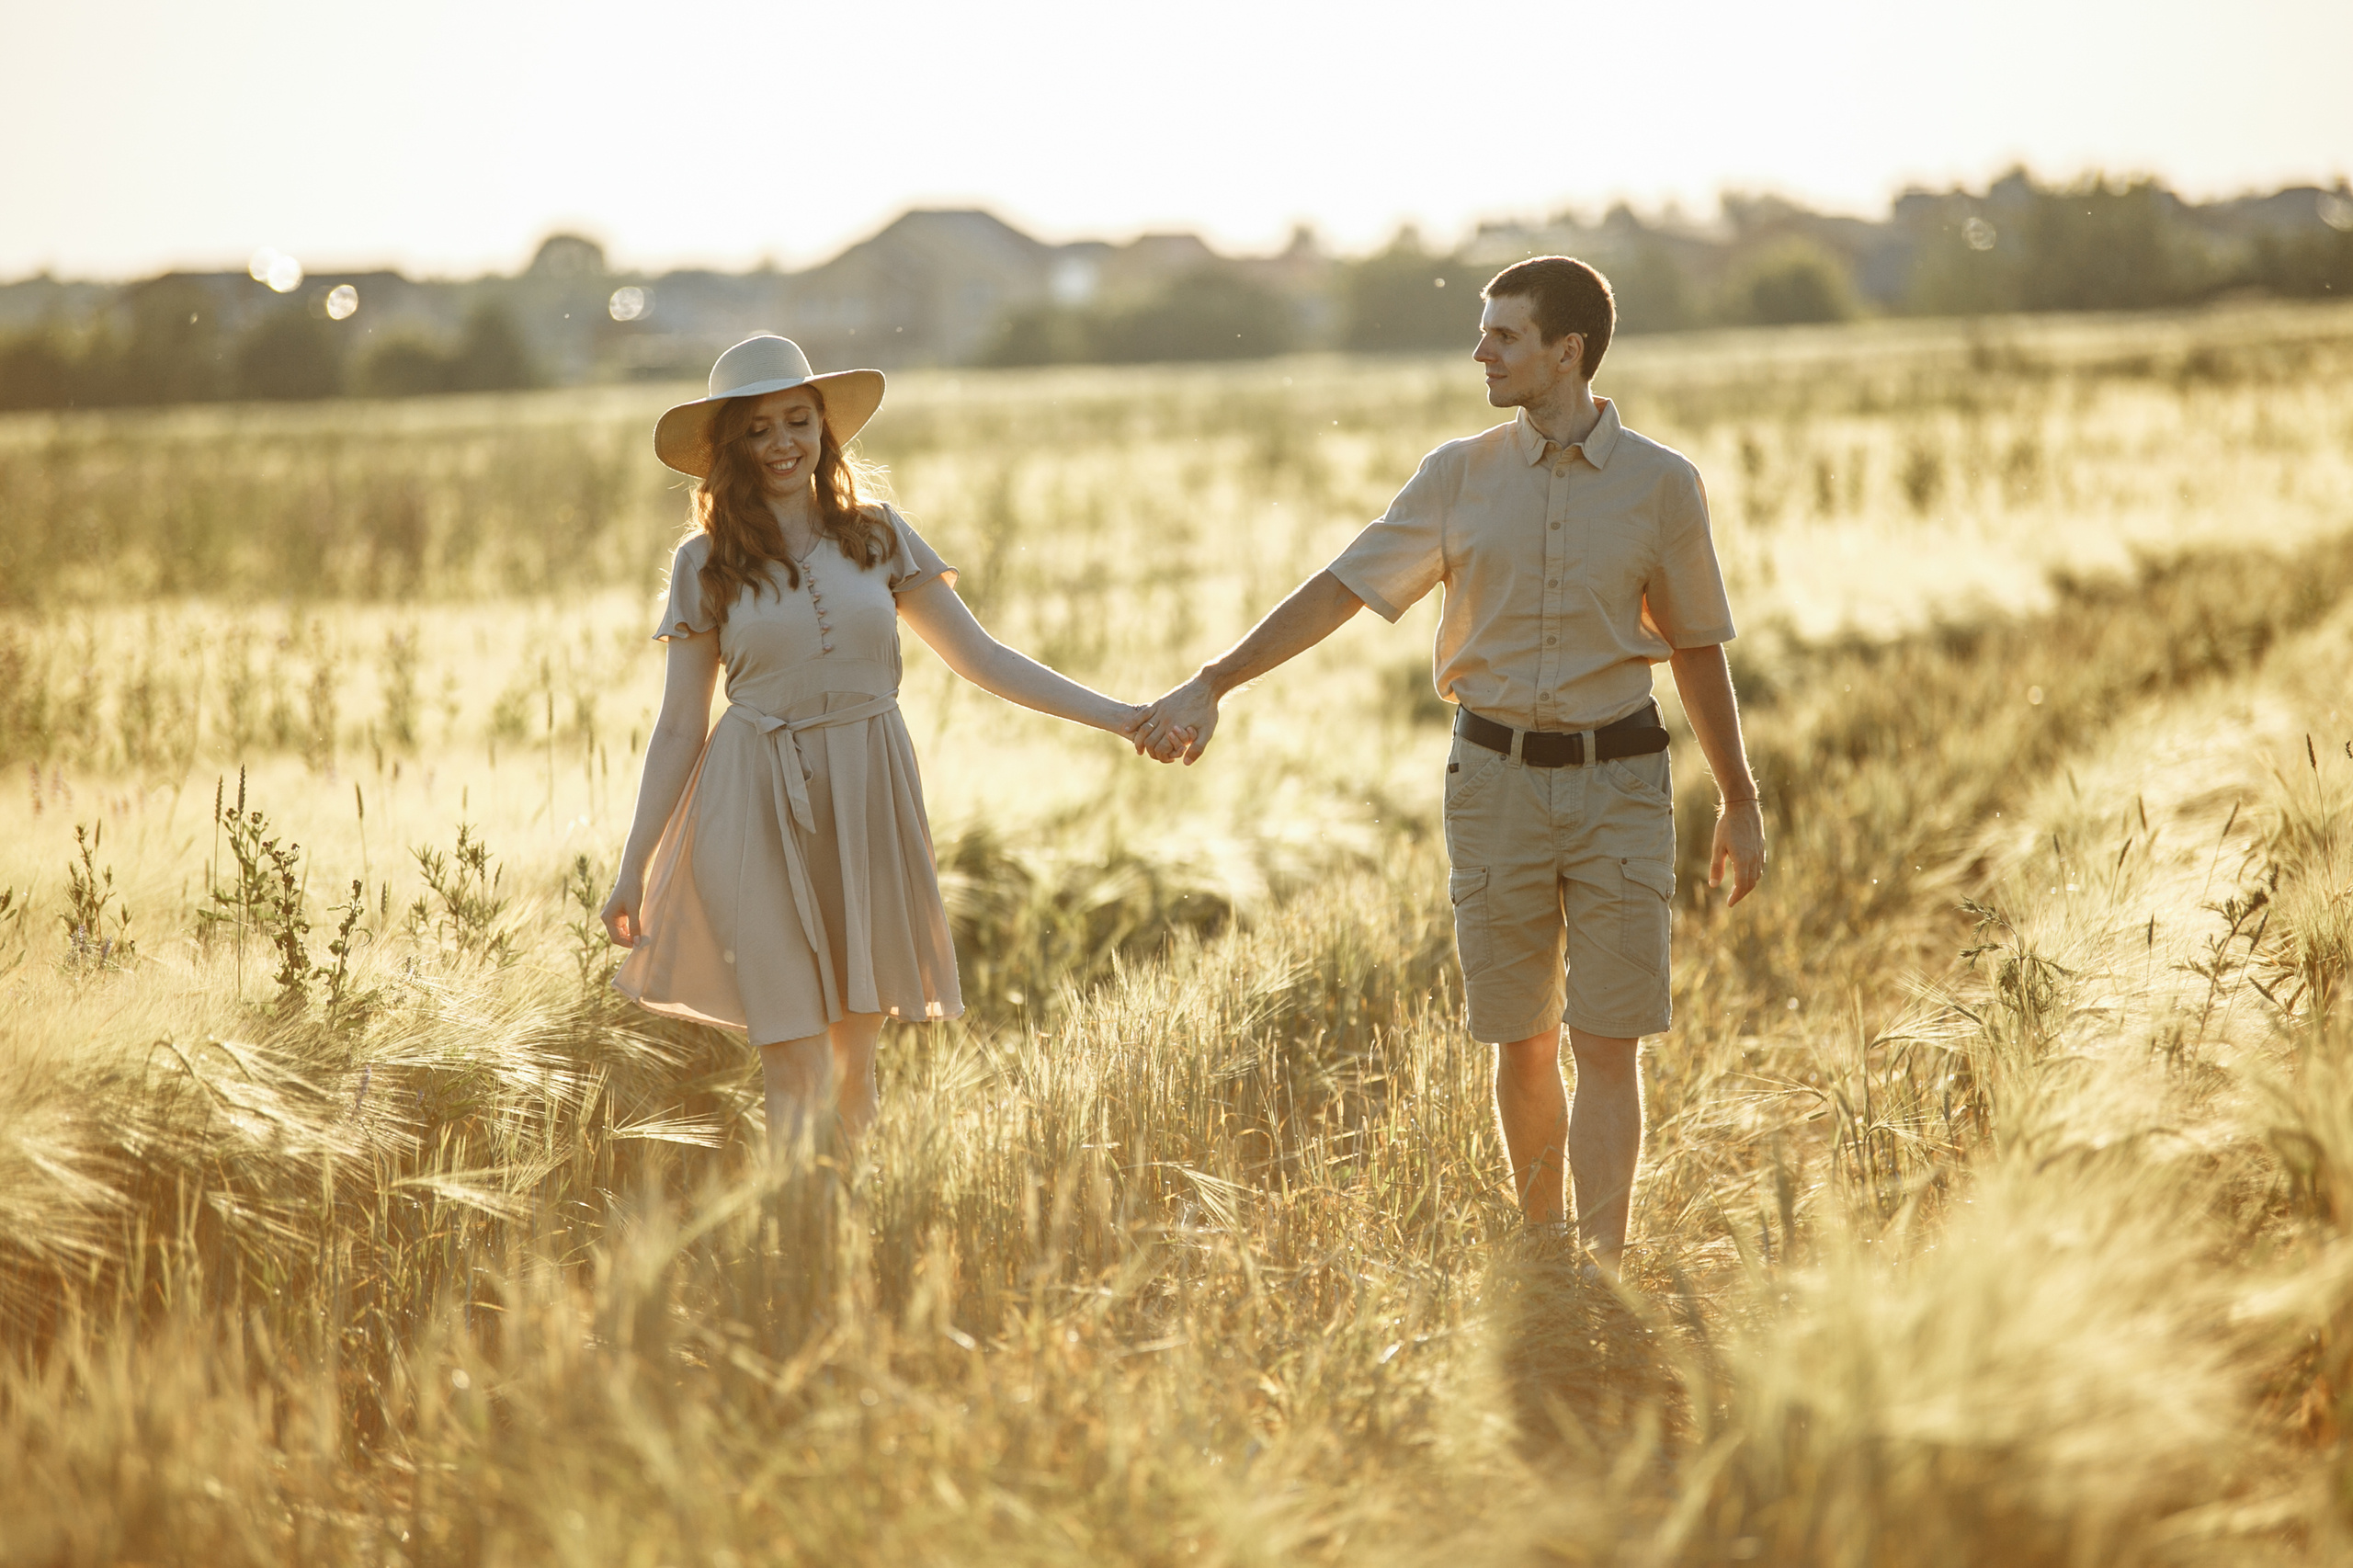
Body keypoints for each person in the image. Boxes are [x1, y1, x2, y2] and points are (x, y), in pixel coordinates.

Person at [1134, 258, 1766, 1275]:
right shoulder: (1455, 476)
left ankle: (1603, 1270)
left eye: (1504, 336)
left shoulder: (1662, 485)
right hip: (1494, 784)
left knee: (1609, 1040)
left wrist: (1739, 798)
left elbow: (1696, 647)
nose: (1481, 353)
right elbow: (1341, 588)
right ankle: (1546, 1253)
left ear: (1568, 352)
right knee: (1522, 1036)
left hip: (1620, 783)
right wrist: (1215, 680)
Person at [601, 335, 1170, 1156]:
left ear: (823, 429)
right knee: (795, 1062)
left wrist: (1123, 716)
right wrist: (634, 865)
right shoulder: (707, 562)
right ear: (730, 448)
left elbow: (985, 660)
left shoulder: (877, 535)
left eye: (797, 421)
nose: (782, 443)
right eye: (757, 430)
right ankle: (799, 1226)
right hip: (751, 805)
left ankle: (850, 1224)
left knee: (852, 1073)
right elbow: (680, 726)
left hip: (867, 800)